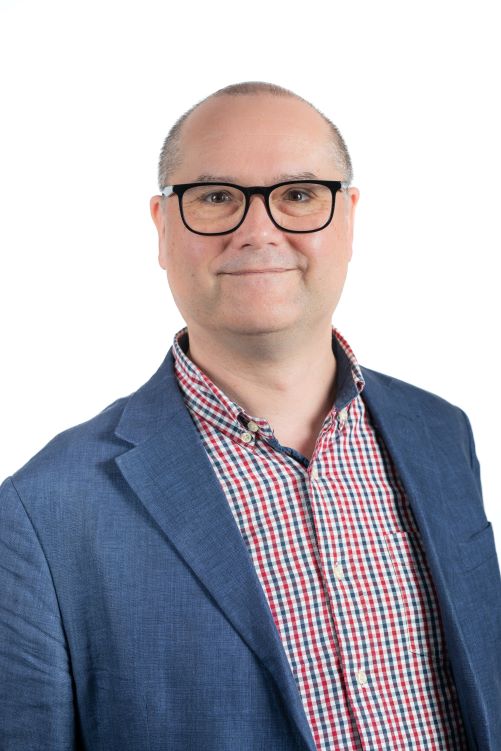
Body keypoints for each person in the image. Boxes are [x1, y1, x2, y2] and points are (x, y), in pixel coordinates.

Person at [0, 81, 500, 751]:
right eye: (214, 197)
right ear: (162, 226)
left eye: (298, 195)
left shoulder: (441, 433)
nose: (258, 230)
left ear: (348, 217)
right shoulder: (42, 512)